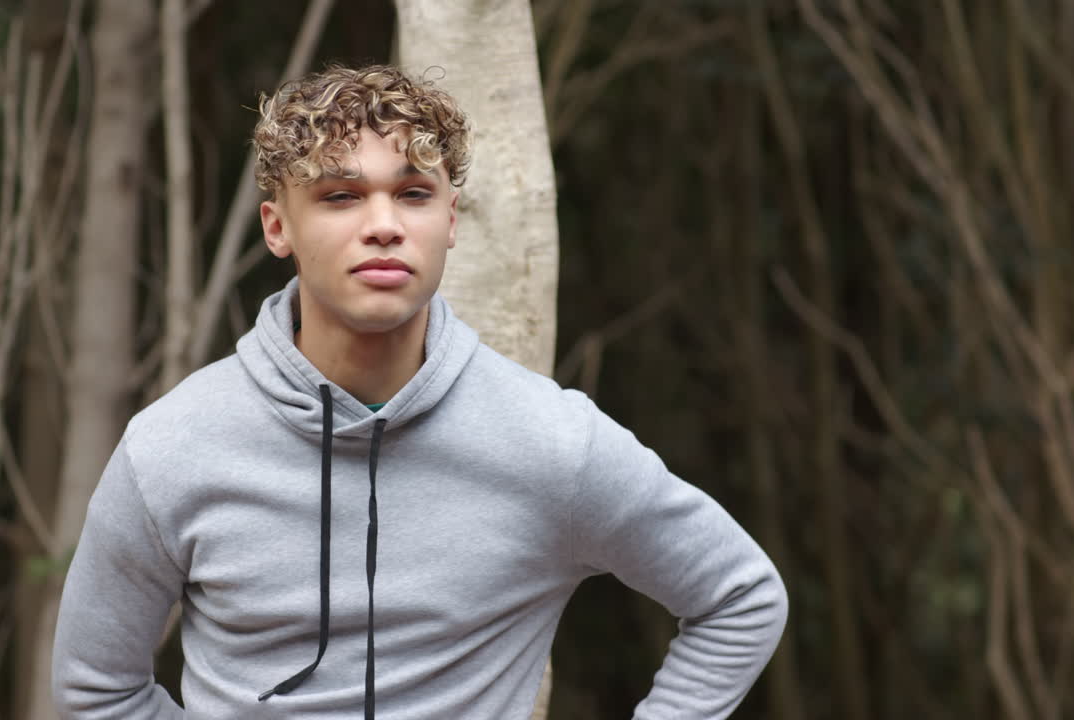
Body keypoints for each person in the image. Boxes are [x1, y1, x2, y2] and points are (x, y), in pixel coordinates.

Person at [51, 63, 787, 720]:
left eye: (412, 194)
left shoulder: (550, 443)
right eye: (340, 196)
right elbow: (96, 689)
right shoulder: (173, 446)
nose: (383, 226)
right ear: (278, 227)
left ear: (449, 222)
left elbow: (740, 598)